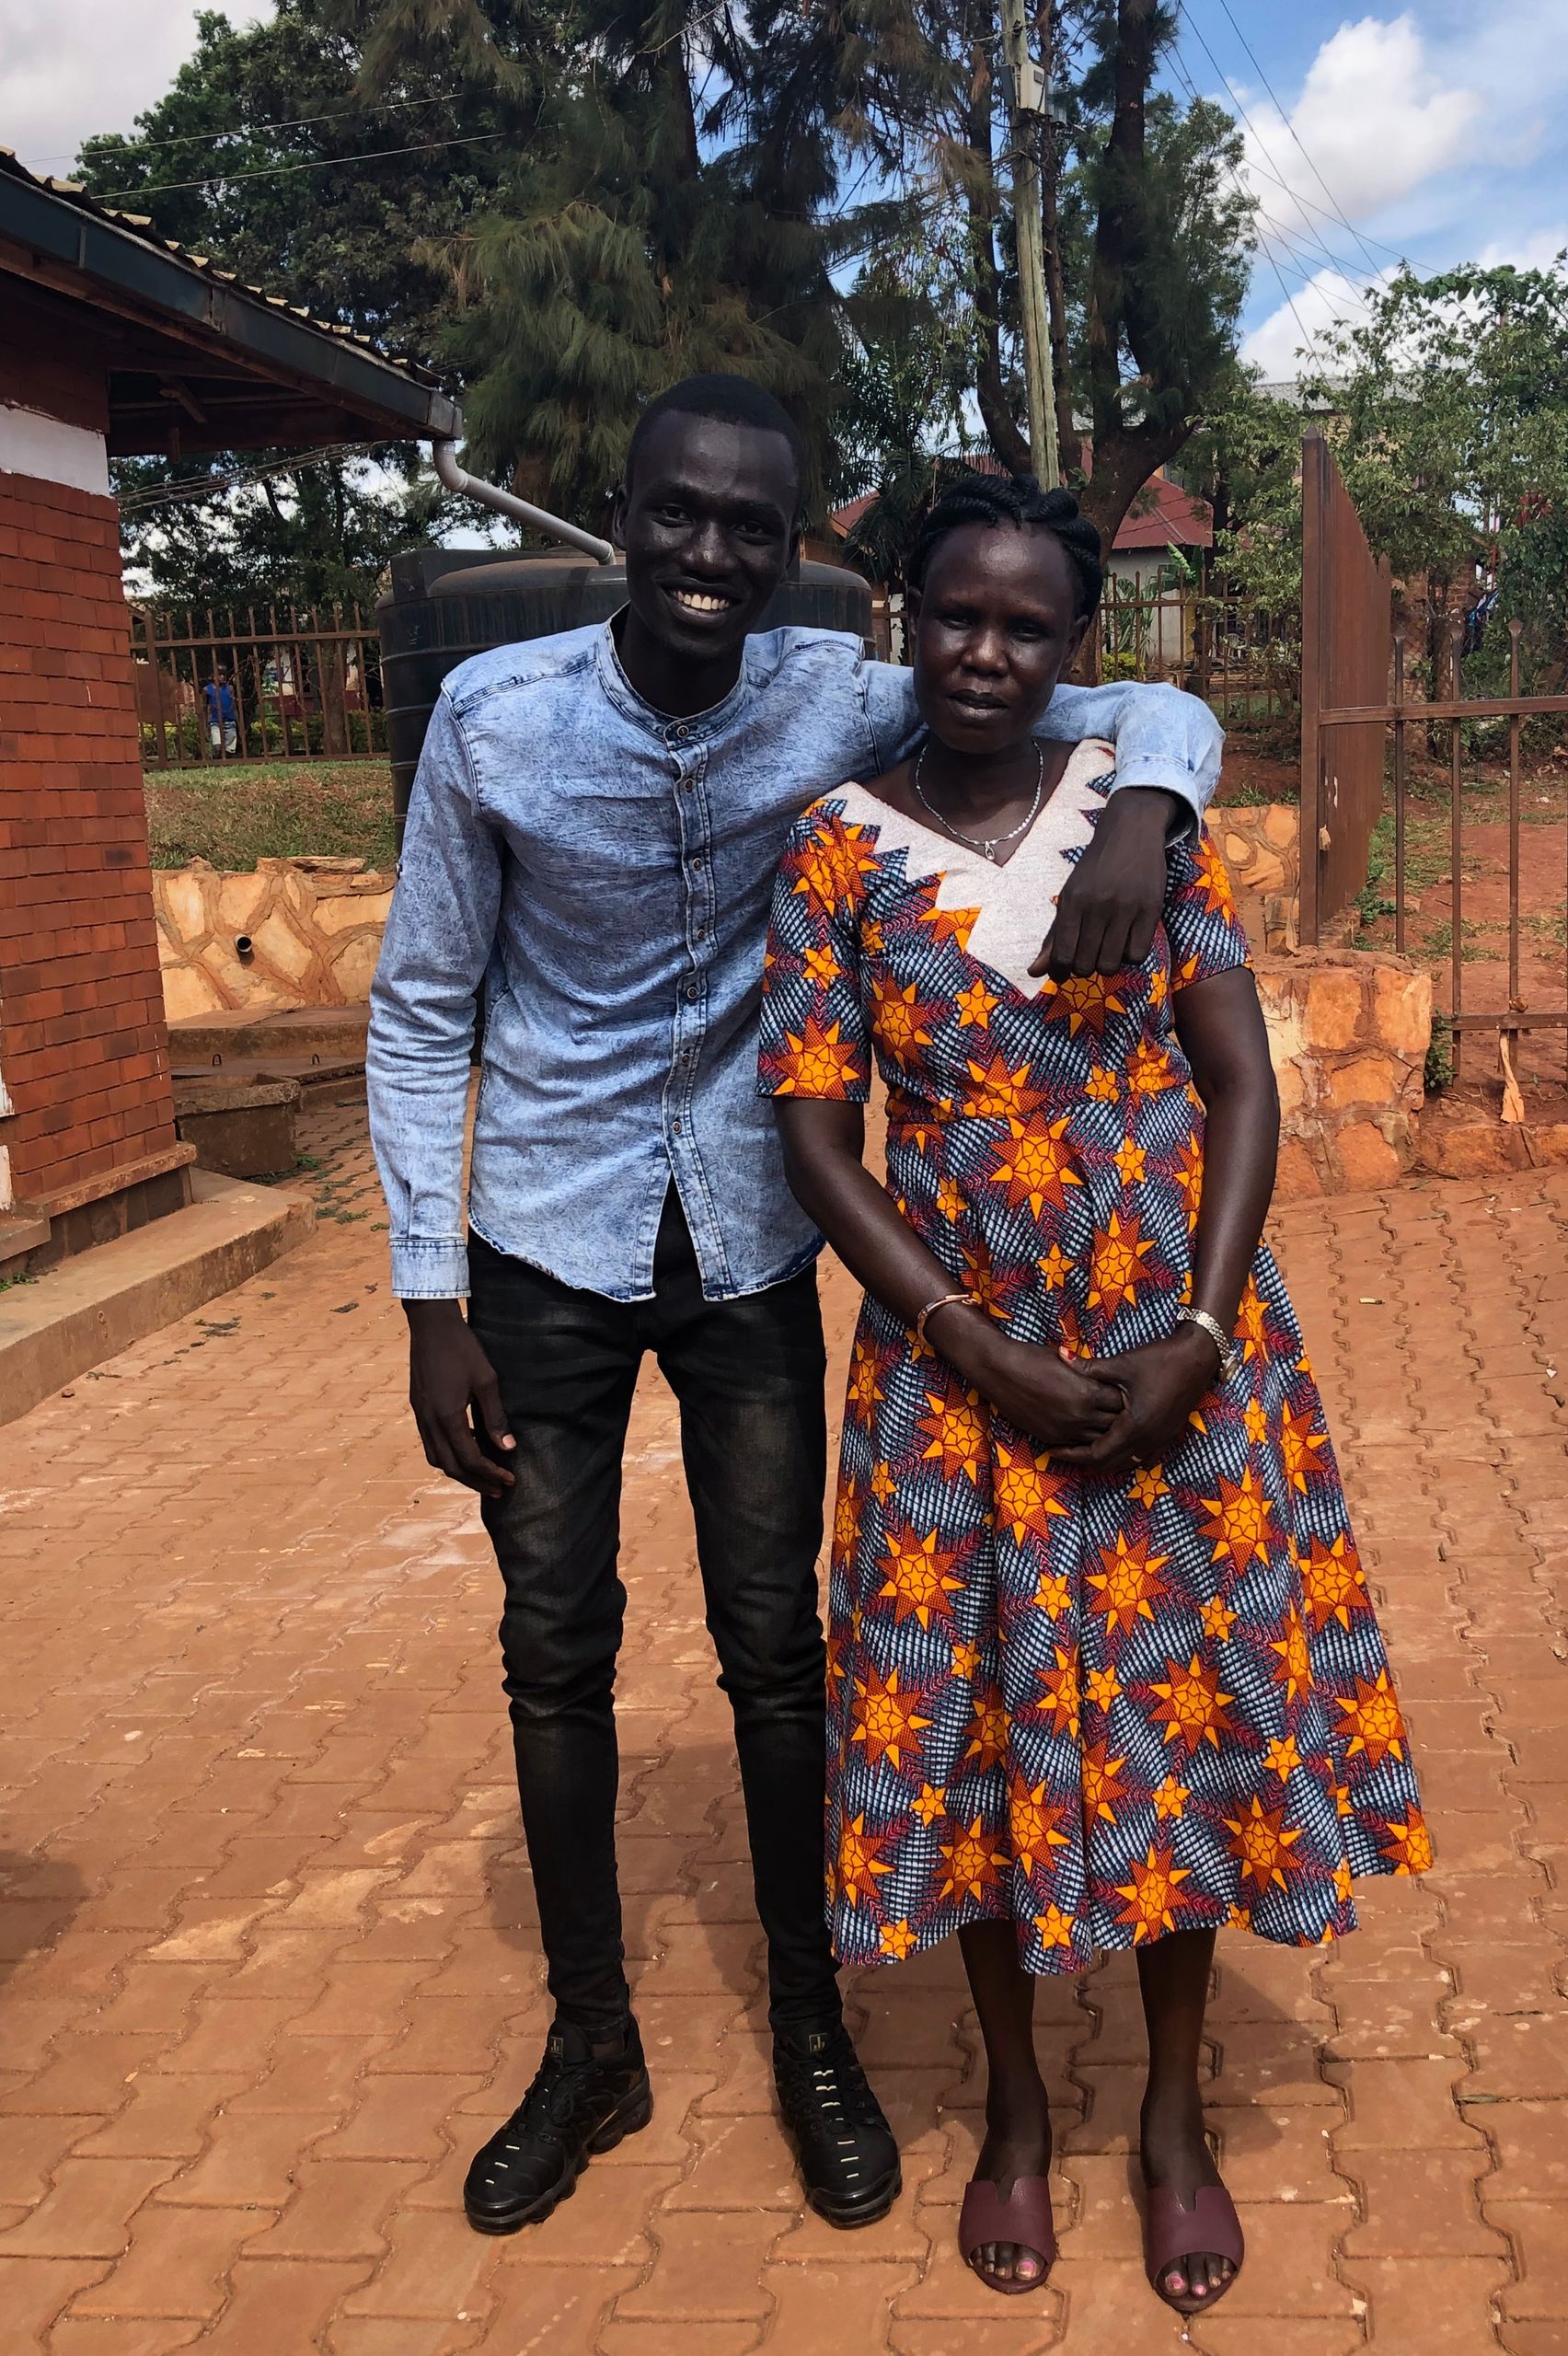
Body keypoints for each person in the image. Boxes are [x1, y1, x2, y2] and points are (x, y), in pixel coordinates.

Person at [365, 376, 1226, 2242]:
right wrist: (428, 1294)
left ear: (792, 548)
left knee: (781, 1649)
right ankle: (591, 2040)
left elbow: (1119, 686)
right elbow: (425, 1003)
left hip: (756, 1239)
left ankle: (813, 2030)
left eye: (751, 525)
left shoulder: (850, 691)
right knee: (552, 1644)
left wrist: (1157, 795)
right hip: (542, 1243)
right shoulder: (491, 721)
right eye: (678, 512)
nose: (709, 552)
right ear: (625, 510)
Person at [760, 473, 1431, 2318]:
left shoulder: (1140, 820)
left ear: (1077, 648)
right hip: (953, 1367)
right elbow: (819, 1135)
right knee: (972, 1719)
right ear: (906, 616)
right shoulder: (830, 846)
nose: (987, 651)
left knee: (1185, 1712)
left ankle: (1176, 2120)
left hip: (1172, 1350)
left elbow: (1240, 1084)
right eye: (956, 615)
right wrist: (963, 1339)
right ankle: (1019, 2119)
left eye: (1027, 625)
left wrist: (1201, 1335)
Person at [202, 670, 238, 755]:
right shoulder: (207, 689)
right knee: (217, 745)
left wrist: (238, 724)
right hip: (215, 721)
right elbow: (204, 709)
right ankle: (218, 759)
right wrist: (205, 727)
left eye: (223, 674)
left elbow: (234, 707)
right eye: (220, 674)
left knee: (230, 748)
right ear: (213, 676)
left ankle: (226, 762)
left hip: (229, 720)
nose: (223, 677)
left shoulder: (229, 688)